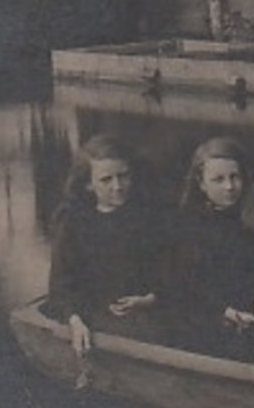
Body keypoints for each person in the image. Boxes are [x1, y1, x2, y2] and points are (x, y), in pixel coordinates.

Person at [169, 137, 254, 371]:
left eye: (235, 177)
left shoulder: (251, 224)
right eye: (218, 180)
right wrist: (228, 313)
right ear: (201, 184)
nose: (229, 187)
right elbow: (186, 294)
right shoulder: (188, 229)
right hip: (208, 325)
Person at [43, 134, 168, 357]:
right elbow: (60, 286)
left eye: (124, 176)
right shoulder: (73, 223)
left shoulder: (148, 217)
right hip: (95, 316)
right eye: (106, 180)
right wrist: (75, 321)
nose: (118, 186)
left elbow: (168, 272)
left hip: (147, 312)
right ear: (89, 184)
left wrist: (149, 299)